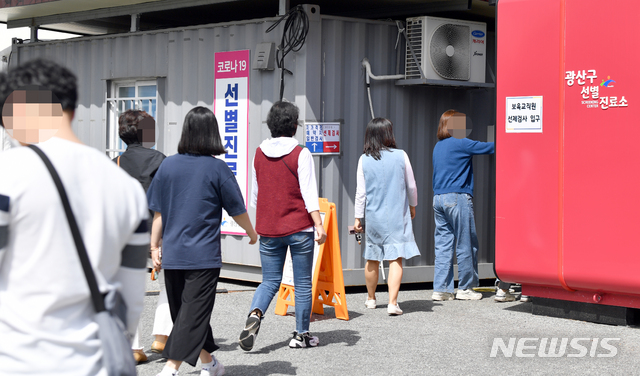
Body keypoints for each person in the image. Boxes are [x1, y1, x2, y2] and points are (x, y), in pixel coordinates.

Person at [0, 59, 149, 375]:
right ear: (72, 109)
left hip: (18, 361)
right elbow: (132, 298)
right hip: (96, 363)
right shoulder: (126, 188)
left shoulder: (8, 174)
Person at [147, 106, 258, 376]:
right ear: (212, 134)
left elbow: (158, 212)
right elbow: (237, 209)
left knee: (187, 314)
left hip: (174, 253)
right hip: (203, 256)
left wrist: (155, 246)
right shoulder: (217, 168)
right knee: (189, 315)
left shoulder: (168, 165)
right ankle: (194, 365)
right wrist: (252, 233)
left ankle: (189, 366)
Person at [239, 101, 327, 351]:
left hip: (268, 228)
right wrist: (319, 224)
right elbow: (309, 194)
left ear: (271, 124)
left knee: (269, 281)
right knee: (301, 284)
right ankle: (301, 335)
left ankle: (255, 314)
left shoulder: (258, 152)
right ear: (293, 125)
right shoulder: (301, 153)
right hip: (299, 227)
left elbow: (256, 195)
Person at [113, 109, 172, 363]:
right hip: (160, 230)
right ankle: (161, 336)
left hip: (125, 234)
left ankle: (134, 348)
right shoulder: (161, 159)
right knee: (168, 285)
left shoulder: (115, 163)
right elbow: (169, 199)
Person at [353, 117, 420, 315]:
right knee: (395, 258)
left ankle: (371, 299)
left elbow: (360, 192)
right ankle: (392, 303)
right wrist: (412, 205)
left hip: (374, 216)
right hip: (397, 215)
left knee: (372, 257)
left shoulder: (364, 158)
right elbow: (411, 185)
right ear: (388, 134)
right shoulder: (401, 155)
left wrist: (358, 217)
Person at [431, 109, 494, 301]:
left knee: (443, 245)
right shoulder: (462, 142)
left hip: (438, 199)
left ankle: (441, 289)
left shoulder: (438, 146)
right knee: (466, 243)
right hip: (457, 198)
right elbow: (491, 147)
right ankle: (465, 288)